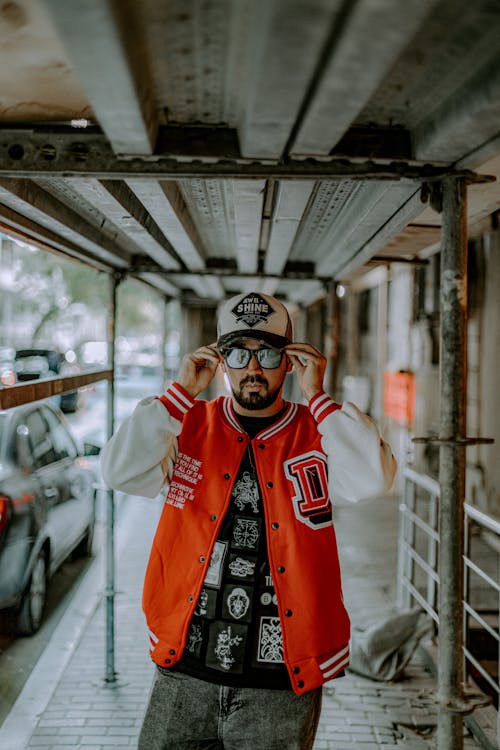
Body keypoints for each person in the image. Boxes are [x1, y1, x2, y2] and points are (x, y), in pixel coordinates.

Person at [101, 291, 396, 750]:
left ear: (290, 361)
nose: (253, 368)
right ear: (221, 361)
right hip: (185, 670)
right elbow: (118, 470)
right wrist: (179, 394)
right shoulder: (187, 424)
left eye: (269, 353)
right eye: (238, 353)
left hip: (279, 682)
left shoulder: (319, 433)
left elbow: (372, 478)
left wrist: (318, 396)